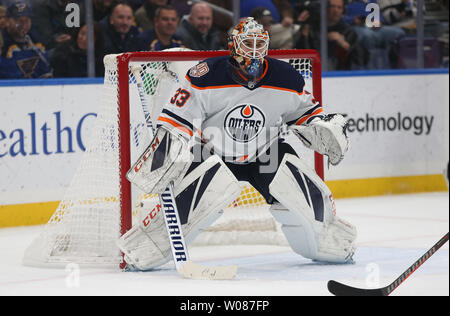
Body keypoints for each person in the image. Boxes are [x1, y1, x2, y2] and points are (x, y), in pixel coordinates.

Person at [118, 17, 357, 271]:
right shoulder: (207, 73)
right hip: (212, 151)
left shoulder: (287, 77)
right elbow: (177, 116)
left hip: (266, 154)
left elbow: (305, 113)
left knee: (307, 203)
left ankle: (330, 241)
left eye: (259, 43)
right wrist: (166, 150)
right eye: (247, 43)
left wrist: (320, 126)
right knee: (190, 210)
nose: (254, 50)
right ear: (233, 45)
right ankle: (145, 248)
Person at [295, 0, 369, 70]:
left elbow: (363, 60)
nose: (336, 10)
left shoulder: (348, 31)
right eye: (332, 6)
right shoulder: (312, 28)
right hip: (315, 74)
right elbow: (299, 59)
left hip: (341, 76)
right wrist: (304, 35)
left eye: (339, 7)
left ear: (343, 10)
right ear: (325, 8)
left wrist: (345, 44)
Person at [0, 3, 52, 79]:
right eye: (18, 20)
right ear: (7, 21)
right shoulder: (2, 44)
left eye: (27, 20)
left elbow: (45, 70)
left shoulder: (35, 40)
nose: (23, 25)